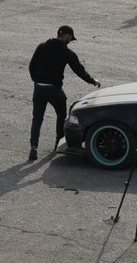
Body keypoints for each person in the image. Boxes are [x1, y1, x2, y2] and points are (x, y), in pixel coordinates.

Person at [28, 25, 101, 161]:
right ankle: (58, 143)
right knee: (61, 114)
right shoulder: (66, 52)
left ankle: (33, 147)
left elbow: (32, 66)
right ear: (66, 35)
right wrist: (92, 81)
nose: (70, 40)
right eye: (70, 38)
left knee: (37, 118)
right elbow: (78, 70)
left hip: (39, 88)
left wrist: (37, 80)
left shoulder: (42, 46)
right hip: (54, 89)